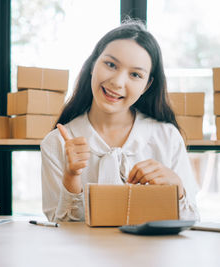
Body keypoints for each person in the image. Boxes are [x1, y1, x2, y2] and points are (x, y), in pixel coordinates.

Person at [41, 20, 199, 222]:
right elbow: (60, 229)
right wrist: (71, 177)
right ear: (92, 65)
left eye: (135, 74)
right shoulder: (57, 143)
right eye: (110, 64)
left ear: (146, 85)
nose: (117, 82)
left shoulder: (166, 138)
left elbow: (192, 220)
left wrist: (177, 188)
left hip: (151, 254)